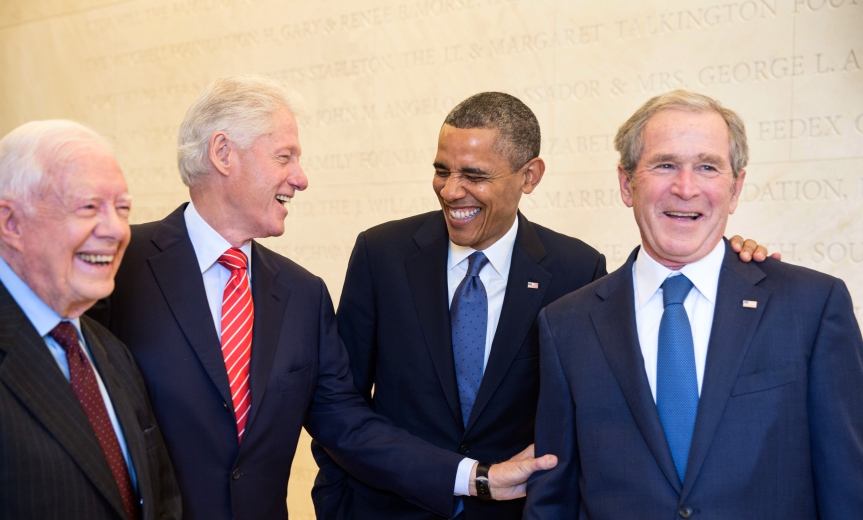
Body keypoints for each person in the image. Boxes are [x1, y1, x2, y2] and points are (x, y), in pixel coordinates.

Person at [82, 75, 553, 520]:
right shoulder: (119, 265)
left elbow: (348, 425)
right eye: (284, 157)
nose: (301, 178)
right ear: (223, 153)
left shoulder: (302, 295)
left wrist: (478, 478)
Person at [311, 92, 774, 520]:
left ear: (529, 176)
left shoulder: (578, 271)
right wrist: (334, 506)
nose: (451, 190)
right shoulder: (381, 255)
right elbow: (338, 406)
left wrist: (721, 258)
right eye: (442, 171)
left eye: (474, 175)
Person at [525, 90, 863, 518]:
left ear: (735, 189)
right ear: (627, 184)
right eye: (665, 165)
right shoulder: (566, 324)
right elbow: (553, 500)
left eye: (707, 167)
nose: (685, 188)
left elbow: (848, 488)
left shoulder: (811, 307)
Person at [0, 120, 181, 519]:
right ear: (10, 223)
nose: (117, 230)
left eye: (122, 209)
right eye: (88, 207)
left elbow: (161, 498)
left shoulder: (110, 349)